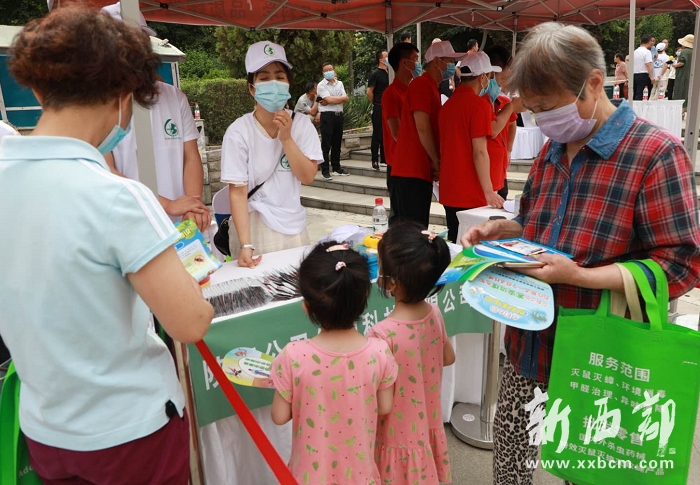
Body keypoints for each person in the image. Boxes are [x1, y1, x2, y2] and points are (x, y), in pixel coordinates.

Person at [461, 23, 700, 485]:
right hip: (527, 347)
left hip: (597, 355)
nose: (542, 120)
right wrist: (504, 229)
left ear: (593, 83)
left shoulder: (655, 154)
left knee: (589, 474)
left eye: (547, 107)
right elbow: (540, 221)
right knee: (511, 469)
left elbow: (681, 265)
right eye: (533, 110)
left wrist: (580, 276)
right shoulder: (553, 149)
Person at [1, 6, 214, 482]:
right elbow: (189, 322)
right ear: (123, 94)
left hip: (45, 429)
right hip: (129, 433)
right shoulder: (117, 196)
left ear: (37, 90)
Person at [271, 242, 398, 485]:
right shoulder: (379, 352)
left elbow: (279, 416)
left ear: (307, 307)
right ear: (364, 299)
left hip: (309, 476)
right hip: (360, 475)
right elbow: (384, 406)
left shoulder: (293, 356)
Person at [101, 2, 210, 233]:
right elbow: (107, 173)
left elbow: (190, 156)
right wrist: (166, 204)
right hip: (130, 227)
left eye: (139, 42)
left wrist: (192, 203)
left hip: (182, 225)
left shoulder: (174, 97)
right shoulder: (98, 104)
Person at [221, 41, 322, 268]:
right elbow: (237, 192)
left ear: (288, 84)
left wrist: (286, 138)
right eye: (264, 78)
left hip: (294, 227)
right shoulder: (238, 131)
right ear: (251, 88)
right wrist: (246, 244)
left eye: (280, 76)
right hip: (253, 227)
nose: (273, 84)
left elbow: (308, 176)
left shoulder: (302, 125)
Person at [369, 222, 456, 485]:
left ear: (392, 283)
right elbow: (448, 358)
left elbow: (377, 399)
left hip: (395, 436)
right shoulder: (435, 313)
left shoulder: (382, 334)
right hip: (427, 424)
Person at [393, 41, 467, 228]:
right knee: (412, 230)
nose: (452, 66)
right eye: (449, 61)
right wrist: (435, 160)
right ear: (436, 62)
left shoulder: (432, 87)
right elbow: (423, 127)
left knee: (418, 227)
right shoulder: (421, 85)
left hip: (419, 169)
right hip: (411, 169)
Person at [439, 51, 509, 243]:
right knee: (473, 247)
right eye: (490, 76)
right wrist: (489, 190)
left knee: (455, 241)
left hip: (450, 188)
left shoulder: (447, 106)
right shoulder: (478, 106)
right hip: (471, 192)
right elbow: (479, 152)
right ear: (483, 77)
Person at [382, 42, 420, 225]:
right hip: (399, 165)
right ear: (405, 63)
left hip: (414, 163)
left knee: (415, 218)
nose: (418, 64)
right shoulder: (391, 94)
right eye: (415, 59)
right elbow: (396, 132)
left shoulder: (413, 91)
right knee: (402, 219)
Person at [484, 46, 520, 201]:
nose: (501, 85)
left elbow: (512, 123)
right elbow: (492, 130)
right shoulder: (479, 102)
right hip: (484, 176)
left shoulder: (499, 100)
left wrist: (508, 150)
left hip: (498, 170)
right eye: (503, 79)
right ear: (490, 73)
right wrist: (512, 106)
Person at [318, 62, 350, 180]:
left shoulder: (339, 83)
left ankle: (337, 167)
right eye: (326, 70)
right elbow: (329, 100)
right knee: (326, 143)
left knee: (337, 142)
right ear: (323, 73)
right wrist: (335, 99)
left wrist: (331, 100)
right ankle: (325, 171)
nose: (328, 72)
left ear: (334, 70)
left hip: (338, 115)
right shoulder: (321, 85)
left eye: (330, 69)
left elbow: (346, 98)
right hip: (327, 116)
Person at [367, 50, 390, 170]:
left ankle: (385, 158)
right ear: (381, 60)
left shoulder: (390, 73)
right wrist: (376, 103)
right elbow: (369, 92)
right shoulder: (375, 74)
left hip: (389, 106)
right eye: (386, 56)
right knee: (377, 133)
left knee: (387, 132)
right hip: (379, 106)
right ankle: (374, 159)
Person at [672, 34, 694, 113]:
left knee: (680, 92)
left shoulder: (684, 51)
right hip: (690, 74)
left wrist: (674, 65)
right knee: (687, 92)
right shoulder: (694, 51)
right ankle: (684, 109)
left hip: (682, 75)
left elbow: (682, 62)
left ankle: (680, 111)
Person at [633, 34, 655, 100]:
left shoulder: (635, 52)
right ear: (649, 42)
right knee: (643, 94)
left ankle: (634, 105)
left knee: (636, 93)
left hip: (635, 74)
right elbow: (648, 65)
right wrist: (651, 77)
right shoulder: (647, 52)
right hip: (643, 75)